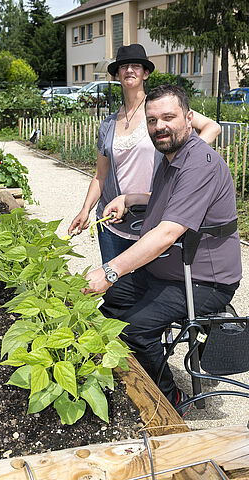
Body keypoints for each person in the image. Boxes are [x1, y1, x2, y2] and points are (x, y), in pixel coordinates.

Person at [82, 84, 242, 415]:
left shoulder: (201, 163)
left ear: (188, 117)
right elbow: (164, 204)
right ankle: (123, 377)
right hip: (167, 269)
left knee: (136, 331)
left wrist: (110, 270)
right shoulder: (169, 157)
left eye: (168, 117)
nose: (160, 126)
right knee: (109, 308)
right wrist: (130, 199)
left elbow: (167, 232)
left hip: (204, 280)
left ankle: (171, 401)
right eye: (152, 120)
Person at [68, 44, 221, 263]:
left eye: (135, 66)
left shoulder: (160, 113)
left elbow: (212, 127)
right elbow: (100, 176)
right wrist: (84, 210)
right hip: (113, 223)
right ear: (117, 74)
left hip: (153, 221)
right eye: (123, 66)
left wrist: (186, 156)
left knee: (148, 291)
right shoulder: (108, 125)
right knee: (115, 290)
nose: (129, 70)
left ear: (145, 73)